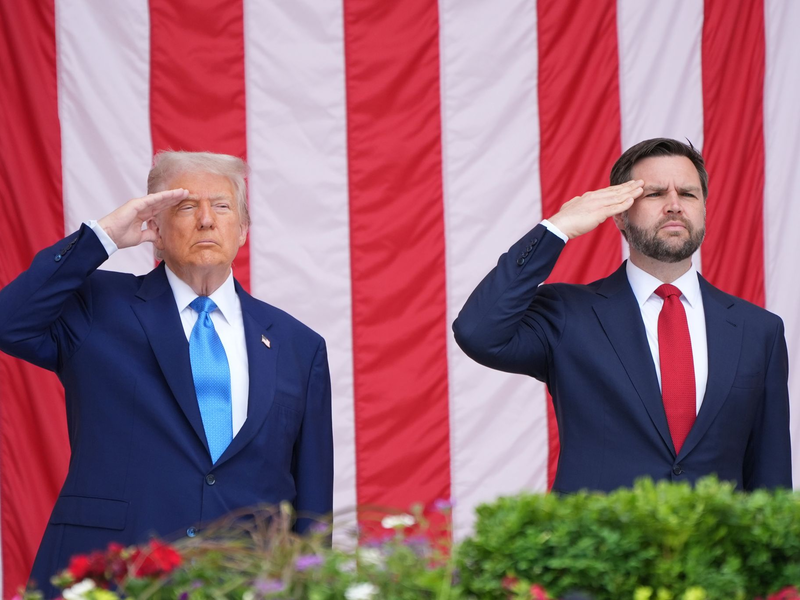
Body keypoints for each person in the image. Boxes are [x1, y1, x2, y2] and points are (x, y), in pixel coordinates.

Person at [0, 151, 333, 595]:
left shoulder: (299, 346)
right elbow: (10, 322)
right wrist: (103, 237)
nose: (206, 220)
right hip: (113, 577)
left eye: (221, 206)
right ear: (154, 227)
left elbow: (312, 509)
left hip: (246, 583)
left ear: (243, 228)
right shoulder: (96, 305)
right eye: (186, 206)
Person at [453, 138, 791, 494]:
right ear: (620, 215)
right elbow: (478, 331)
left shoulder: (759, 330)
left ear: (704, 209)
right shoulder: (568, 314)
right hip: (598, 530)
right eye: (655, 193)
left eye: (688, 194)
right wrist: (557, 229)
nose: (674, 205)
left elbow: (771, 479)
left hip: (715, 532)